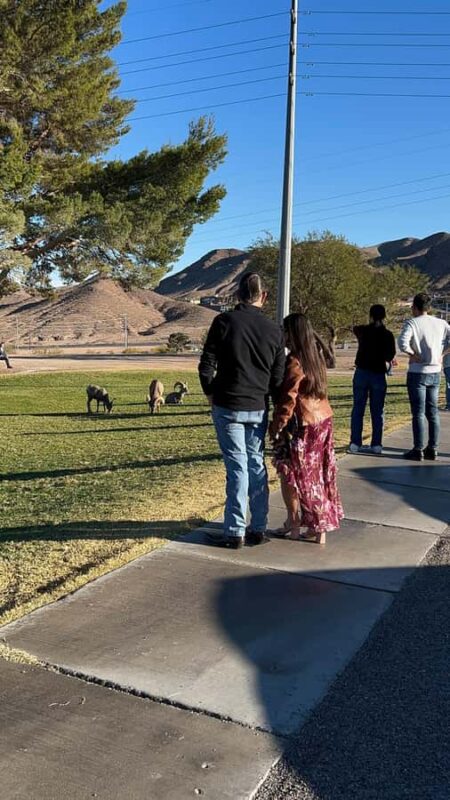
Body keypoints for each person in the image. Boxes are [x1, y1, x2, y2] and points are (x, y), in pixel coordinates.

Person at [199, 273, 286, 549]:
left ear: (237, 295)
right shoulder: (275, 330)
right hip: (258, 406)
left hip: (227, 404)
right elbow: (278, 377)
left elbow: (206, 364)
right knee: (256, 465)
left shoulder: (223, 322)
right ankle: (258, 527)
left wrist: (210, 392)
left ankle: (234, 531)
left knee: (237, 467)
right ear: (265, 296)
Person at [269, 313, 344, 545]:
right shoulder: (316, 357)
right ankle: (318, 528)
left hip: (301, 425)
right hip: (322, 420)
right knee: (319, 474)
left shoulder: (295, 361)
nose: (283, 334)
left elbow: (289, 398)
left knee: (290, 473)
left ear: (293, 333)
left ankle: (294, 523)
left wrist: (277, 425)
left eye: (285, 330)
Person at [398, 292, 450, 460]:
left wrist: (412, 353)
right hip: (435, 371)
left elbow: (402, 342)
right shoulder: (441, 323)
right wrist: (443, 354)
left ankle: (418, 448)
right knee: (432, 412)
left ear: (415, 307)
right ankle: (433, 448)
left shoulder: (412, 323)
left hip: (417, 372)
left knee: (418, 412)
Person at [348, 305, 396, 455]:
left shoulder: (362, 331)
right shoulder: (388, 335)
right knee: (377, 411)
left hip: (361, 372)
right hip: (378, 374)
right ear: (384, 316)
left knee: (358, 409)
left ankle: (355, 442)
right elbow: (390, 356)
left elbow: (354, 327)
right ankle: (376, 444)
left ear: (370, 315)